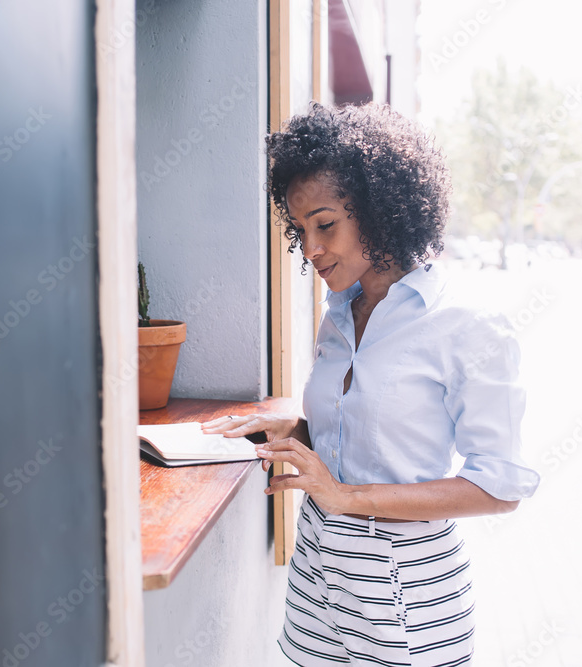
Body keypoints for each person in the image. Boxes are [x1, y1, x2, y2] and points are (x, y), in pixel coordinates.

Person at [202, 102, 539, 666]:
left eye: (325, 224)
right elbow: (360, 435)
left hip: (404, 594)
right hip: (318, 575)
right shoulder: (338, 314)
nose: (310, 250)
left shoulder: (467, 325)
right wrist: (296, 430)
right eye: (301, 229)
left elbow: (500, 487)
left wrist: (346, 497)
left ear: (380, 209)